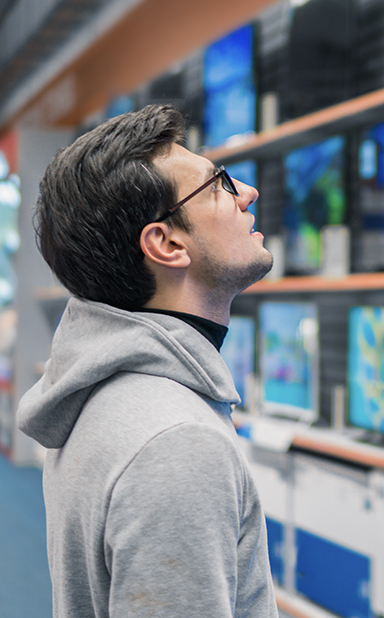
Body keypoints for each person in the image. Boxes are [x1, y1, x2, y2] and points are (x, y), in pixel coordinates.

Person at [17, 105, 277, 617]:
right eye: (219, 184)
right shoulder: (175, 441)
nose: (248, 192)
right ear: (166, 242)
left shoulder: (106, 393)